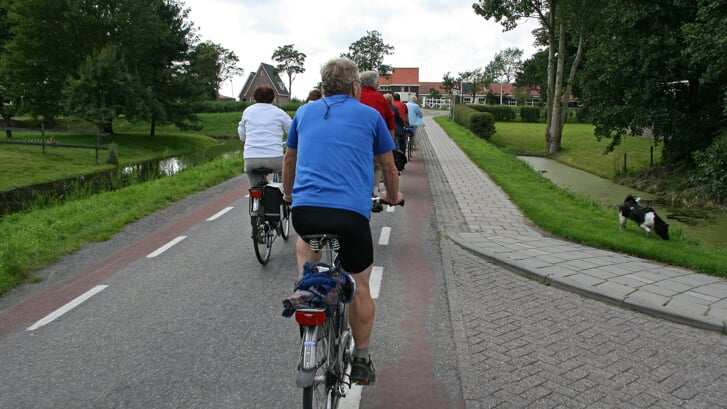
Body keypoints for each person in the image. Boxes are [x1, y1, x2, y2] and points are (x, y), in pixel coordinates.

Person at [282, 57, 404, 386]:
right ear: (355, 87)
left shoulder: (304, 112)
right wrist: (393, 197)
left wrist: (290, 196)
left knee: (306, 241)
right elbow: (389, 167)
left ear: (323, 87)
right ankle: (361, 359)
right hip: (350, 216)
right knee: (360, 285)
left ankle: (308, 292)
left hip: (307, 213)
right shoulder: (370, 115)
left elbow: (290, 158)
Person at [237, 85, 292, 187]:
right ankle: (285, 195)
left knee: (255, 187)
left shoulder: (247, 111)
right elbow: (292, 131)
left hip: (251, 159)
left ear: (255, 98)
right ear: (272, 98)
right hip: (275, 158)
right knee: (286, 176)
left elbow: (242, 136)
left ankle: (255, 200)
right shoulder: (279, 112)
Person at [359, 70, 395, 194]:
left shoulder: (355, 96)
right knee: (378, 165)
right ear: (375, 83)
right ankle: (374, 192)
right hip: (374, 139)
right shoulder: (380, 98)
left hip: (356, 139)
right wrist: (390, 144)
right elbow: (390, 121)